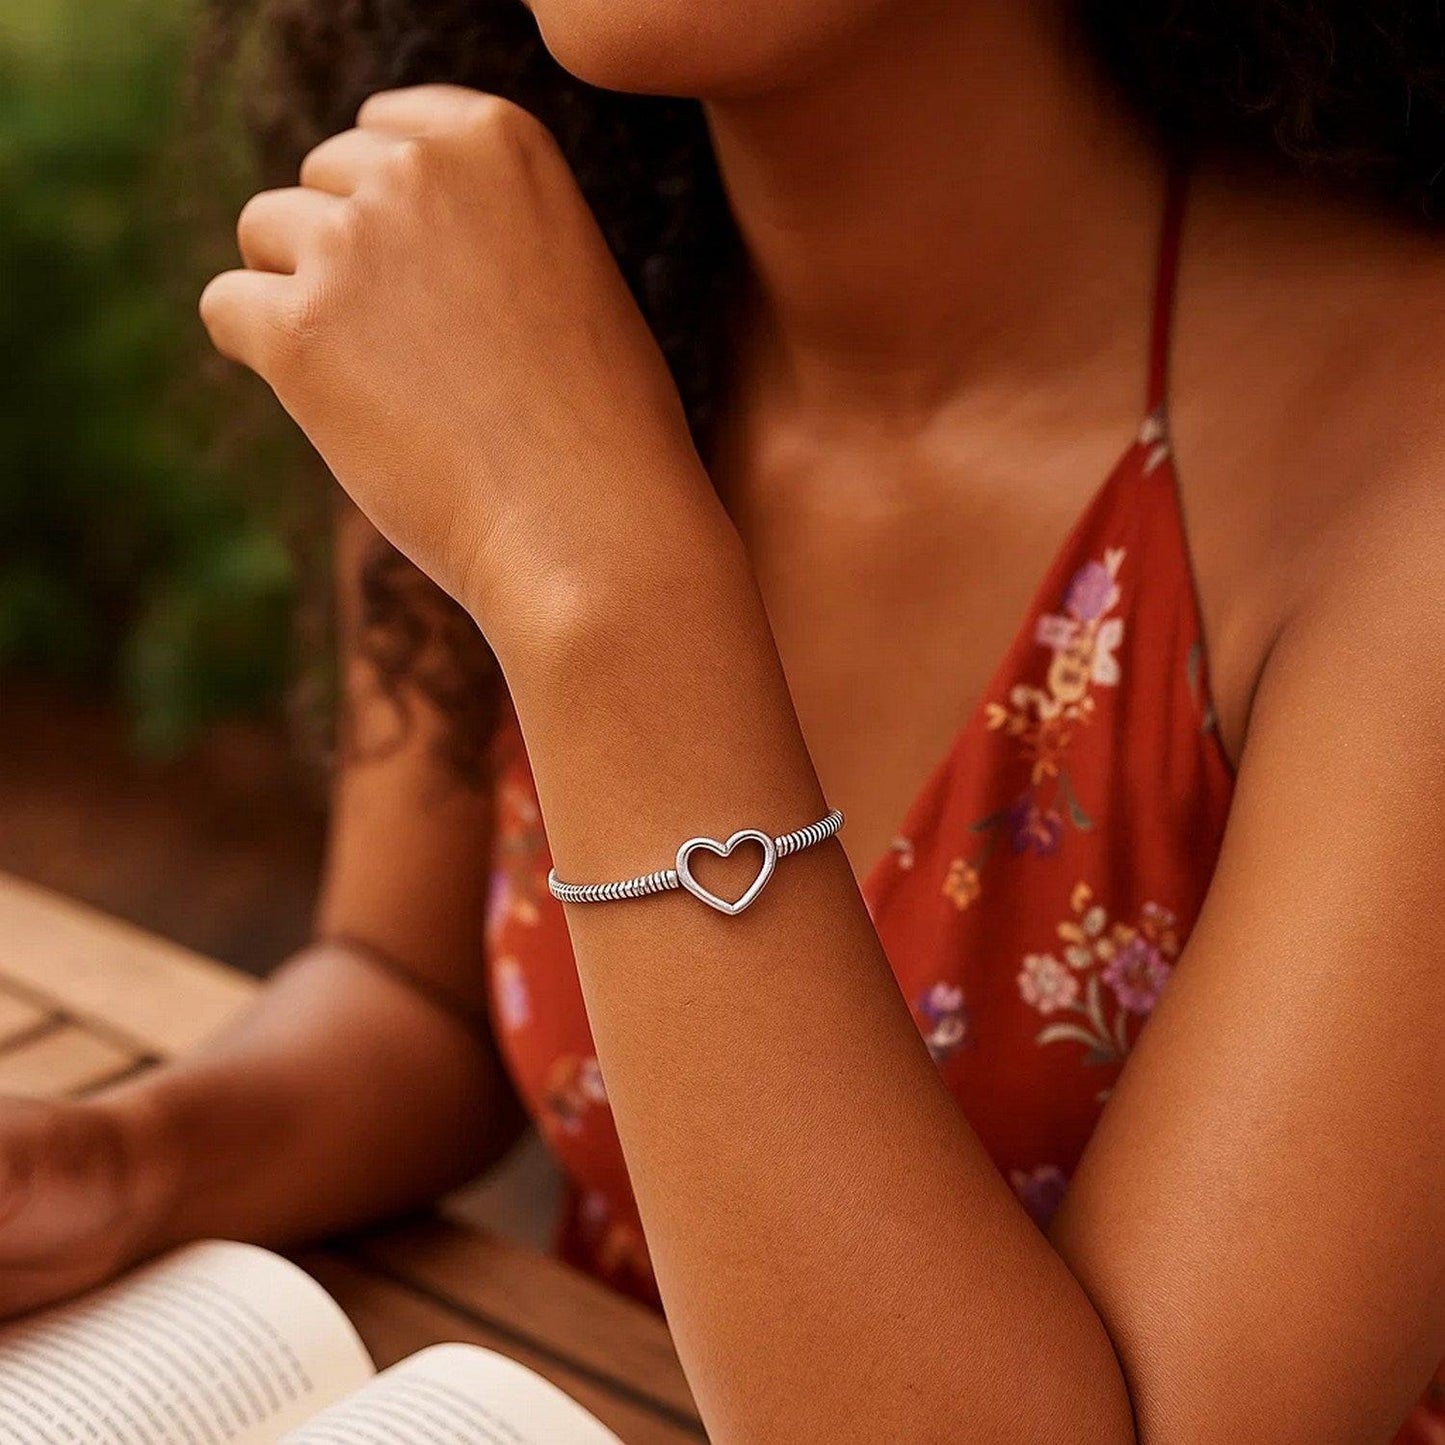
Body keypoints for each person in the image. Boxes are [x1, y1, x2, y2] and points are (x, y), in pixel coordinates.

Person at [5, 0, 1444, 1437]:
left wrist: (611, 593)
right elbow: (418, 986)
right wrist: (130, 1160)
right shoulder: (516, 299)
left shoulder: (1399, 486)